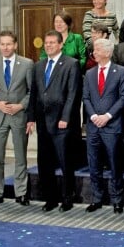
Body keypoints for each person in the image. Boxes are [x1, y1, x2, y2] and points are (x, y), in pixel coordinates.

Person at [27, 30, 82, 212]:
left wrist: (65, 117)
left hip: (62, 123)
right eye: (46, 42)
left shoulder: (71, 64)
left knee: (65, 162)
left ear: (60, 45)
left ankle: (67, 198)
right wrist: (31, 118)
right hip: (43, 122)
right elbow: (34, 94)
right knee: (44, 162)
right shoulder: (38, 66)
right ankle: (50, 199)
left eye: (52, 42)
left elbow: (73, 94)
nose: (49, 45)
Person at [0, 30, 34, 209]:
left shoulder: (27, 64)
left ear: (15, 45)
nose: (5, 47)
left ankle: (21, 193)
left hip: (19, 115)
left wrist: (21, 106)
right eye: (2, 44)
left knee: (21, 156)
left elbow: (31, 91)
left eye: (8, 44)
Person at [82, 38, 124, 213]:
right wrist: (94, 115)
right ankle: (97, 198)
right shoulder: (89, 73)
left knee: (114, 164)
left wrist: (107, 116)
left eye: (98, 49)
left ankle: (117, 200)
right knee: (93, 164)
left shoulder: (120, 72)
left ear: (108, 53)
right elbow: (85, 97)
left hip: (112, 125)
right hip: (93, 125)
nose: (94, 52)